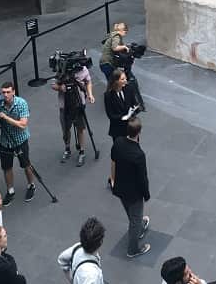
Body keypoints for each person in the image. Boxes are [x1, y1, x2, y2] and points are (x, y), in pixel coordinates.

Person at [0, 82, 37, 206]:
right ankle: (10, 191)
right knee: (6, 167)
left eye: (8, 92)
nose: (5, 95)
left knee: (26, 164)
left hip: (20, 140)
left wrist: (5, 117)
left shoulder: (21, 103)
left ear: (13, 92)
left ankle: (31, 185)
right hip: (5, 141)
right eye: (3, 92)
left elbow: (23, 125)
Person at [110, 117, 151, 258]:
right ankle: (133, 249)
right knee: (135, 218)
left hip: (120, 187)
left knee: (130, 212)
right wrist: (146, 194)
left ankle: (138, 226)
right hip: (134, 192)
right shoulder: (139, 155)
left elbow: (113, 161)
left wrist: (113, 179)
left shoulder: (118, 143)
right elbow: (142, 178)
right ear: (139, 132)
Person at [53, 58, 95, 166]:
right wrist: (60, 87)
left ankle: (82, 151)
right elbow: (53, 85)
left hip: (78, 104)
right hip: (64, 106)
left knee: (80, 128)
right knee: (66, 130)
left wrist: (90, 94)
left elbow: (88, 81)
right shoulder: (61, 69)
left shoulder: (84, 69)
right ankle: (67, 149)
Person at [104, 68, 142, 189]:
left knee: (133, 152)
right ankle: (113, 178)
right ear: (115, 81)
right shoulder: (108, 95)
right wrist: (123, 117)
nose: (125, 81)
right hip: (118, 129)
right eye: (122, 79)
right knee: (117, 155)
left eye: (125, 78)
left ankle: (130, 175)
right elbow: (110, 115)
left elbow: (135, 103)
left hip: (130, 127)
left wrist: (133, 112)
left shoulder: (129, 89)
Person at [57, 217, 106, 284]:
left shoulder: (77, 247)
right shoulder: (93, 276)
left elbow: (61, 259)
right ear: (101, 242)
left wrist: (71, 280)